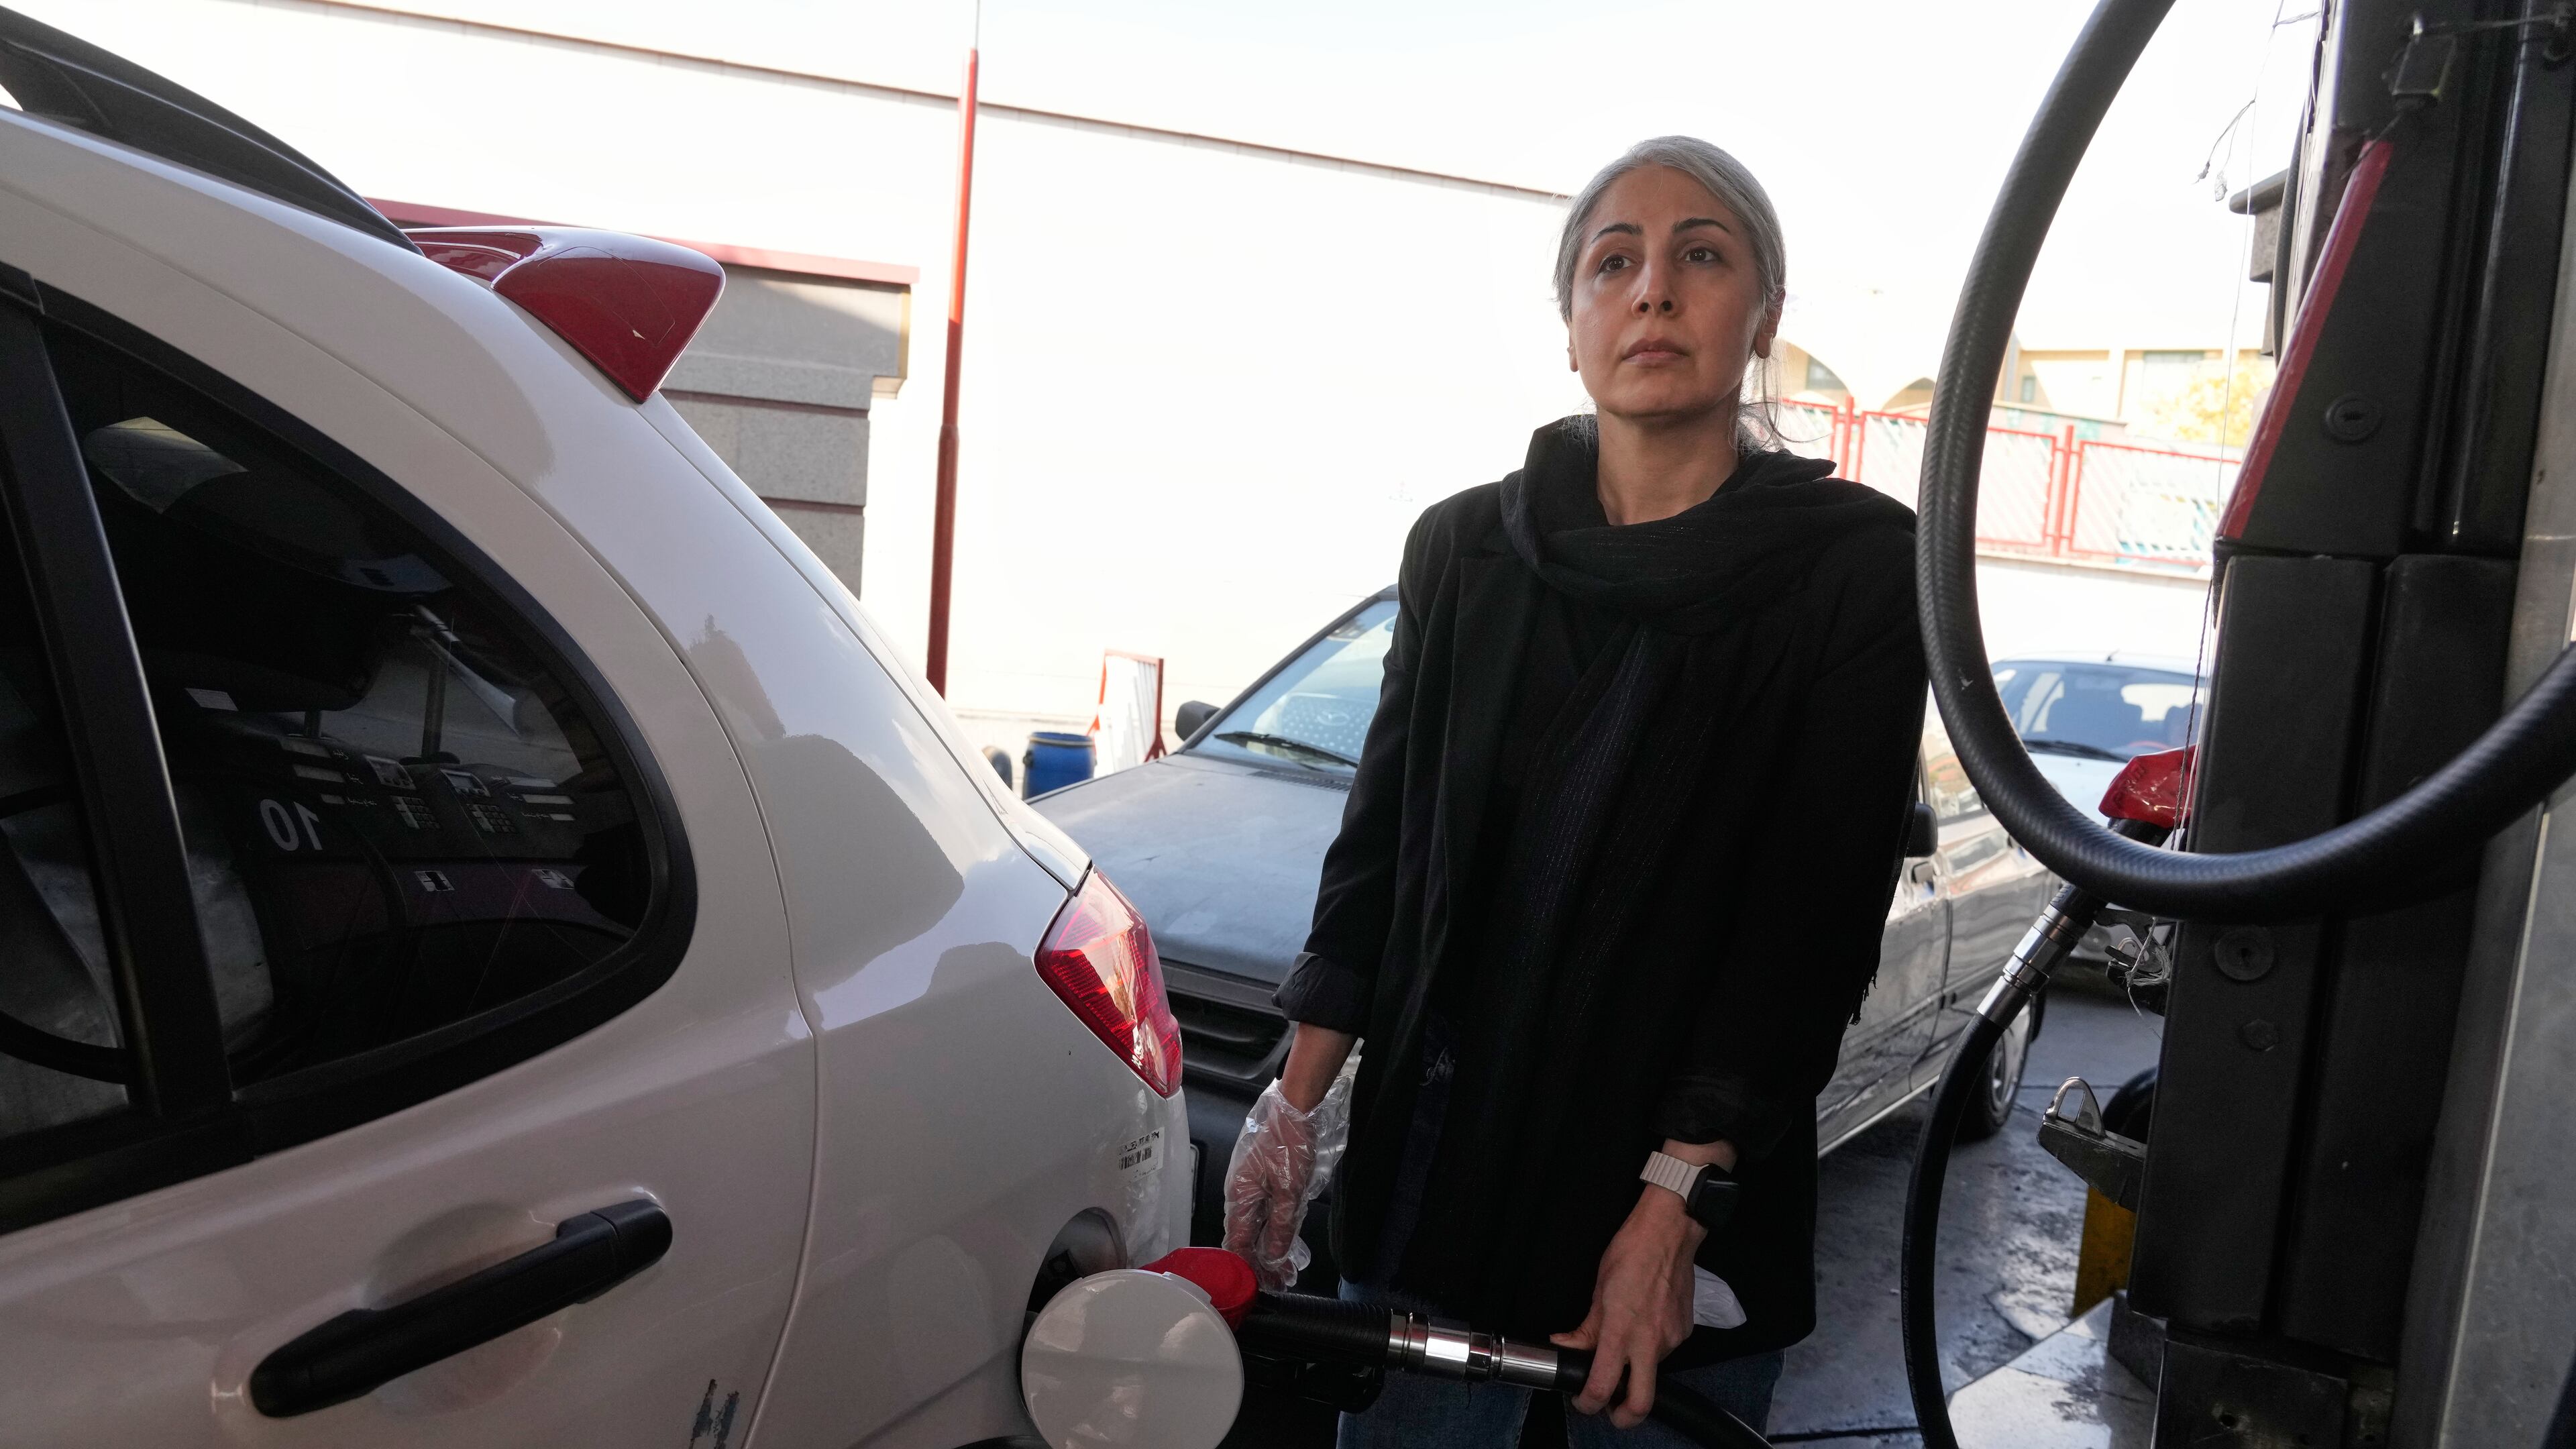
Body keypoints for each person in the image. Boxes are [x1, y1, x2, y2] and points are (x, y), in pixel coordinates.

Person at [1221, 136, 1927, 1447]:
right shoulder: (1465, 551)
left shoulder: (1855, 573)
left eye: (1701, 255)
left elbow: (1806, 930)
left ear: (1763, 314)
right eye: (1614, 263)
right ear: (1571, 325)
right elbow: (1379, 858)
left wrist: (1676, 1203)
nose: (1653, 289)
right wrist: (1294, 1108)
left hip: (1671, 1208)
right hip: (1437, 1180)